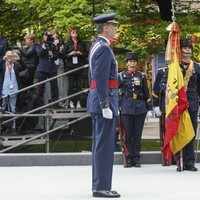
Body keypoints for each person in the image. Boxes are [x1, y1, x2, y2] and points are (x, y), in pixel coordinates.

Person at [152, 38, 200, 171]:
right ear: (180, 50)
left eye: (190, 48)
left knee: (190, 132)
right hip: (178, 103)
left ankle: (189, 162)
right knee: (178, 131)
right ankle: (178, 160)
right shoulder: (173, 67)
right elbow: (164, 84)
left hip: (192, 102)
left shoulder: (196, 67)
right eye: (185, 48)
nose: (188, 50)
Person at [87, 13, 120, 198]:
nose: (116, 28)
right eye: (113, 26)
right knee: (104, 146)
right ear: (106, 28)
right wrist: (105, 104)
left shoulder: (97, 46)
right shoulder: (104, 49)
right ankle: (101, 187)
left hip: (99, 100)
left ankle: (101, 185)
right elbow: (99, 79)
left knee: (101, 145)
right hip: (103, 102)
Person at [118, 52, 152, 168]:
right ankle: (128, 157)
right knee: (127, 135)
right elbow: (115, 93)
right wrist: (117, 107)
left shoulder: (141, 76)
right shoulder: (121, 76)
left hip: (140, 107)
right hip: (127, 107)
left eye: (134, 61)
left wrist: (150, 108)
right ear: (127, 63)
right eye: (130, 61)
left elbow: (146, 93)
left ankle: (136, 158)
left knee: (137, 135)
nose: (132, 63)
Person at [0, 50, 26, 134]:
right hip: (4, 88)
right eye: (8, 56)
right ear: (5, 56)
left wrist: (19, 59)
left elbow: (25, 67)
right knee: (3, 107)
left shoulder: (16, 65)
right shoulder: (3, 65)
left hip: (14, 88)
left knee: (12, 107)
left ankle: (13, 127)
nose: (10, 58)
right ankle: (2, 126)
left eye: (11, 56)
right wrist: (3, 59)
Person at [63, 27, 88, 109]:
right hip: (70, 67)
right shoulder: (67, 44)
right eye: (72, 32)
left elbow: (86, 54)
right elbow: (63, 55)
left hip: (79, 66)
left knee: (78, 86)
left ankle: (78, 102)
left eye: (76, 32)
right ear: (70, 34)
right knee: (71, 86)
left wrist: (80, 53)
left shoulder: (82, 43)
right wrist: (70, 54)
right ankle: (71, 102)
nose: (74, 33)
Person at [35, 30, 59, 107]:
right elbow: (39, 53)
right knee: (40, 87)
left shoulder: (53, 45)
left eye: (49, 36)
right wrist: (44, 44)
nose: (48, 38)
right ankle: (40, 103)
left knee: (54, 86)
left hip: (52, 67)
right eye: (47, 36)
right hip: (42, 68)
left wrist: (52, 55)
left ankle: (55, 103)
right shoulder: (39, 45)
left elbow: (56, 57)